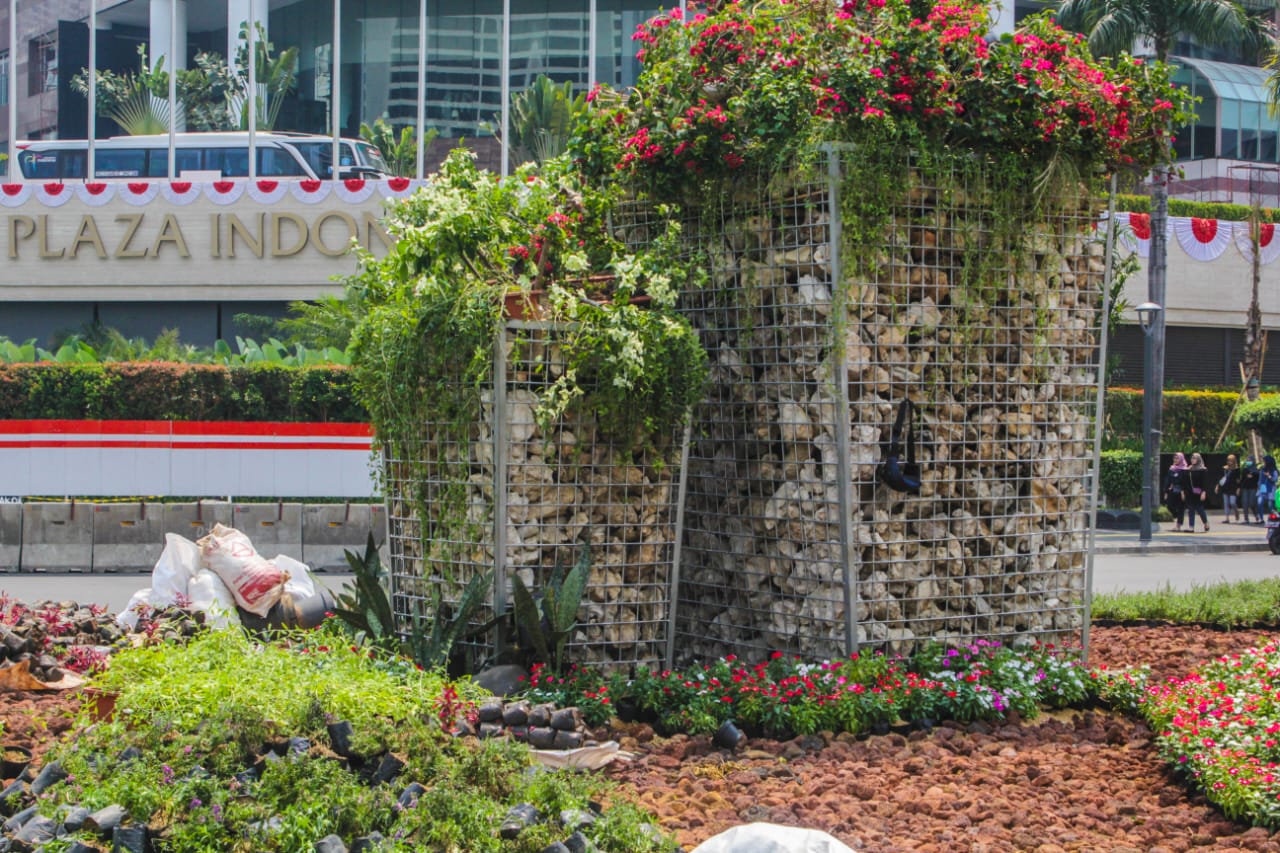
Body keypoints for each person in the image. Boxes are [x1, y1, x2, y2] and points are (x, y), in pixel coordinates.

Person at [1164, 452, 1190, 533]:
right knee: (1170, 506)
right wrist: (1166, 491)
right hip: (1172, 490)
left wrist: (1183, 491)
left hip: (1181, 491)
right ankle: (1176, 521)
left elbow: (1184, 482)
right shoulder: (1171, 469)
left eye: (1177, 458)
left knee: (1180, 508)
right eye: (1174, 458)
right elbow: (1168, 480)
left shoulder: (1184, 470)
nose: (1175, 460)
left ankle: (1178, 525)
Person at [1185, 452, 1210, 533]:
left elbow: (1205, 482)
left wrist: (1204, 492)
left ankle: (1206, 523)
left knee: (1200, 509)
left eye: (1195, 458)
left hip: (1199, 491)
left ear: (1198, 459)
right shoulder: (1189, 469)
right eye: (1192, 458)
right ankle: (1191, 527)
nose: (1193, 460)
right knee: (1190, 509)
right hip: (1190, 492)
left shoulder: (1203, 470)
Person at [1215, 453, 1241, 524]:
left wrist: (1238, 488)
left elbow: (1238, 480)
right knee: (1226, 503)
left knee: (1232, 502)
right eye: (1228, 460)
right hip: (1225, 487)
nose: (1229, 462)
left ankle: (1236, 511)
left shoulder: (1237, 469)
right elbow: (1220, 478)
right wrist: (1217, 486)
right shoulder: (1224, 469)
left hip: (1233, 488)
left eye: (1231, 461)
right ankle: (1227, 518)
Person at [1241, 457, 1262, 524]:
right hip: (1245, 488)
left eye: (1249, 460)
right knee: (1245, 503)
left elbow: (1258, 478)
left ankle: (1257, 516)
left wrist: (1252, 475)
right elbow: (1242, 479)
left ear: (1253, 461)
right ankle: (1246, 519)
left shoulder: (1256, 470)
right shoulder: (1245, 470)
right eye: (1247, 460)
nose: (1248, 462)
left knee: (1252, 503)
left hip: (1253, 488)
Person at [1259, 455, 1279, 523]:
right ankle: (1261, 519)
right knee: (1260, 502)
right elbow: (1260, 479)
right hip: (1263, 488)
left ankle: (1273, 518)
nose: (1263, 463)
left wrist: (1269, 476)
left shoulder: (1274, 470)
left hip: (1271, 488)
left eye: (1264, 461)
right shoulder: (1262, 469)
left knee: (1270, 505)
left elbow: (1275, 480)